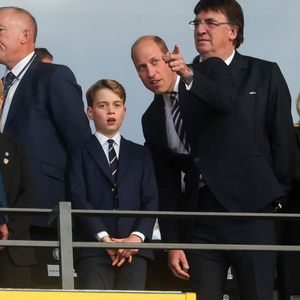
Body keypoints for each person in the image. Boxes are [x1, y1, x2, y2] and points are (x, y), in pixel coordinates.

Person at [131, 34, 285, 300]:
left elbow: (226, 101)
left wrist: (189, 74)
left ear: (169, 57)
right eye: (141, 68)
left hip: (247, 209)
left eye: (155, 61)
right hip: (199, 219)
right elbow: (166, 184)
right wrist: (172, 243)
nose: (151, 73)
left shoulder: (208, 70)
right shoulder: (151, 118)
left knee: (258, 294)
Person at [0, 6, 91, 286]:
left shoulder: (54, 76)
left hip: (43, 214)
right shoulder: (4, 85)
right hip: (8, 216)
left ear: (25, 34)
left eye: (0, 30)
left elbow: (79, 143)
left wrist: (81, 210)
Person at [191, 0, 295, 200]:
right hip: (197, 207)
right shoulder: (181, 78)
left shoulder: (265, 74)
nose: (200, 30)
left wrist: (277, 197)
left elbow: (283, 141)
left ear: (233, 32)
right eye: (196, 23)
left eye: (210, 23)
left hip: (254, 202)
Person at [68, 79, 158, 290]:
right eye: (103, 105)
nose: (111, 111)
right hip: (92, 248)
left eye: (116, 105)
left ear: (124, 111)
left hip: (135, 251)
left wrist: (136, 237)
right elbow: (77, 196)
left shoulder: (141, 154)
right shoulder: (78, 152)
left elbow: (151, 198)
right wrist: (103, 237)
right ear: (90, 112)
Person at [0, 80, 36, 288]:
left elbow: (29, 193)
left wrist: (10, 228)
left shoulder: (16, 148)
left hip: (15, 252)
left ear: (1, 101)